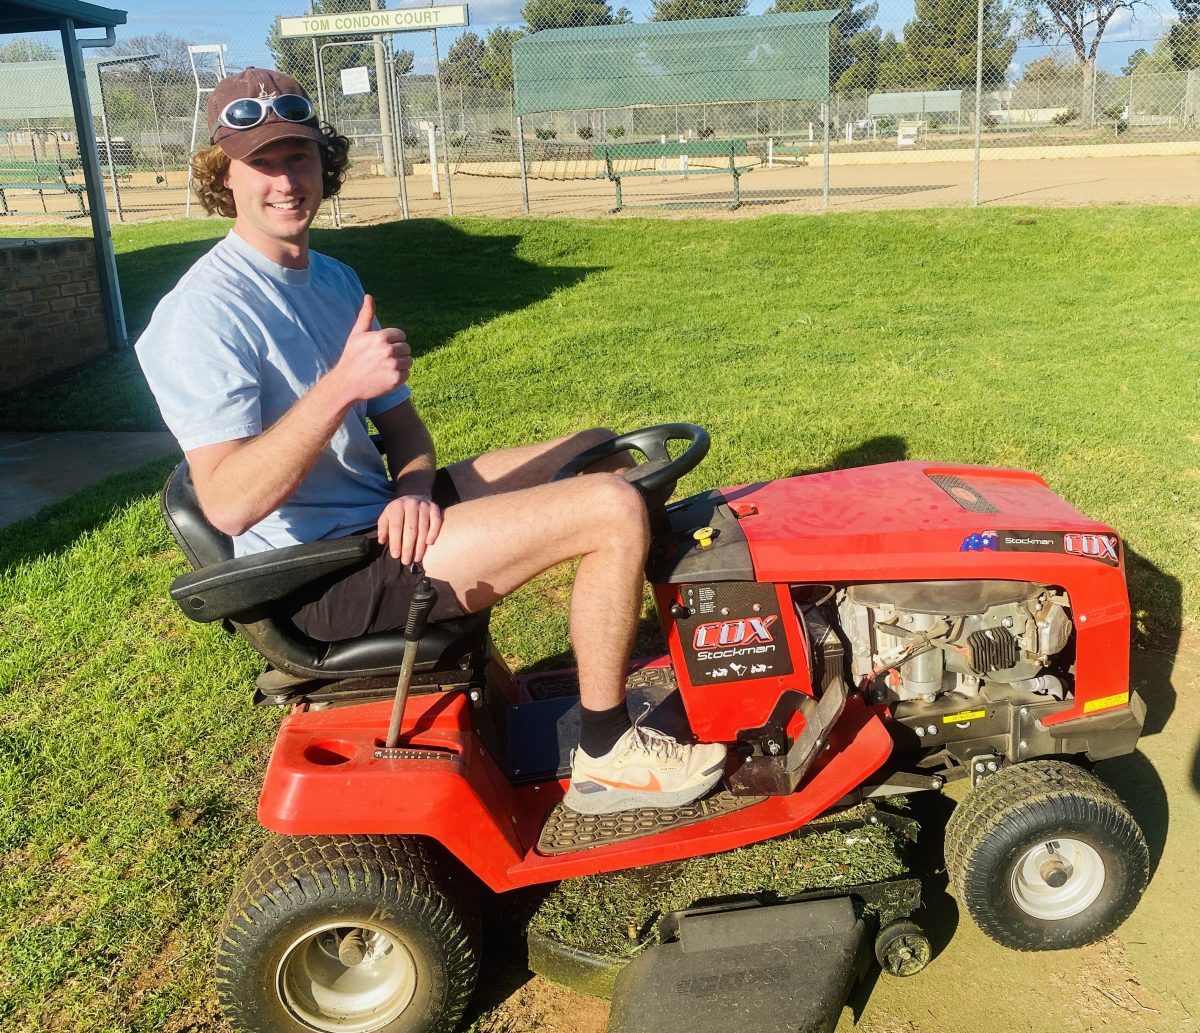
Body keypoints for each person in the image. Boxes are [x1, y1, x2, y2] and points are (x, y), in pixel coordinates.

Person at [136, 68, 725, 817]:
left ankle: (705, 653)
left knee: (600, 449)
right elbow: (225, 501)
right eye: (262, 163)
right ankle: (609, 755)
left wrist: (414, 487)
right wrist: (341, 386)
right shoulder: (201, 315)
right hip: (323, 578)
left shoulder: (334, 281)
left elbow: (404, 430)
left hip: (379, 519)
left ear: (324, 163)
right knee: (608, 507)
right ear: (225, 175)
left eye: (299, 157)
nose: (285, 181)